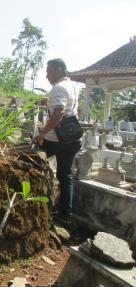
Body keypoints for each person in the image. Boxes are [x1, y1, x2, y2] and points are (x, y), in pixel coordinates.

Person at [35, 58, 82, 224]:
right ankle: (65, 215)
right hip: (73, 139)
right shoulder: (73, 86)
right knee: (65, 175)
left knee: (31, 161)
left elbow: (59, 112)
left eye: (49, 71)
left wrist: (43, 133)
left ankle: (34, 203)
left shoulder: (59, 87)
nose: (46, 75)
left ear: (59, 70)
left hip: (56, 140)